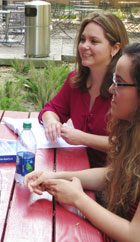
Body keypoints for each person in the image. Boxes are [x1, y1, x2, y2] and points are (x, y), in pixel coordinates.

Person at [25, 43, 140, 242]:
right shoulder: (132, 133)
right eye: (114, 80)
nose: (111, 89)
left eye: (120, 83)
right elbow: (116, 173)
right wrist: (57, 176)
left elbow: (136, 239)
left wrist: (78, 198)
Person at [39, 12, 129, 167]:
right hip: (77, 164)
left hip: (113, 175)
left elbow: (127, 144)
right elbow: (51, 108)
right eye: (82, 39)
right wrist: (51, 122)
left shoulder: (125, 89)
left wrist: (82, 138)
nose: (84, 46)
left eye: (94, 41)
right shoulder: (75, 81)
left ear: (115, 48)